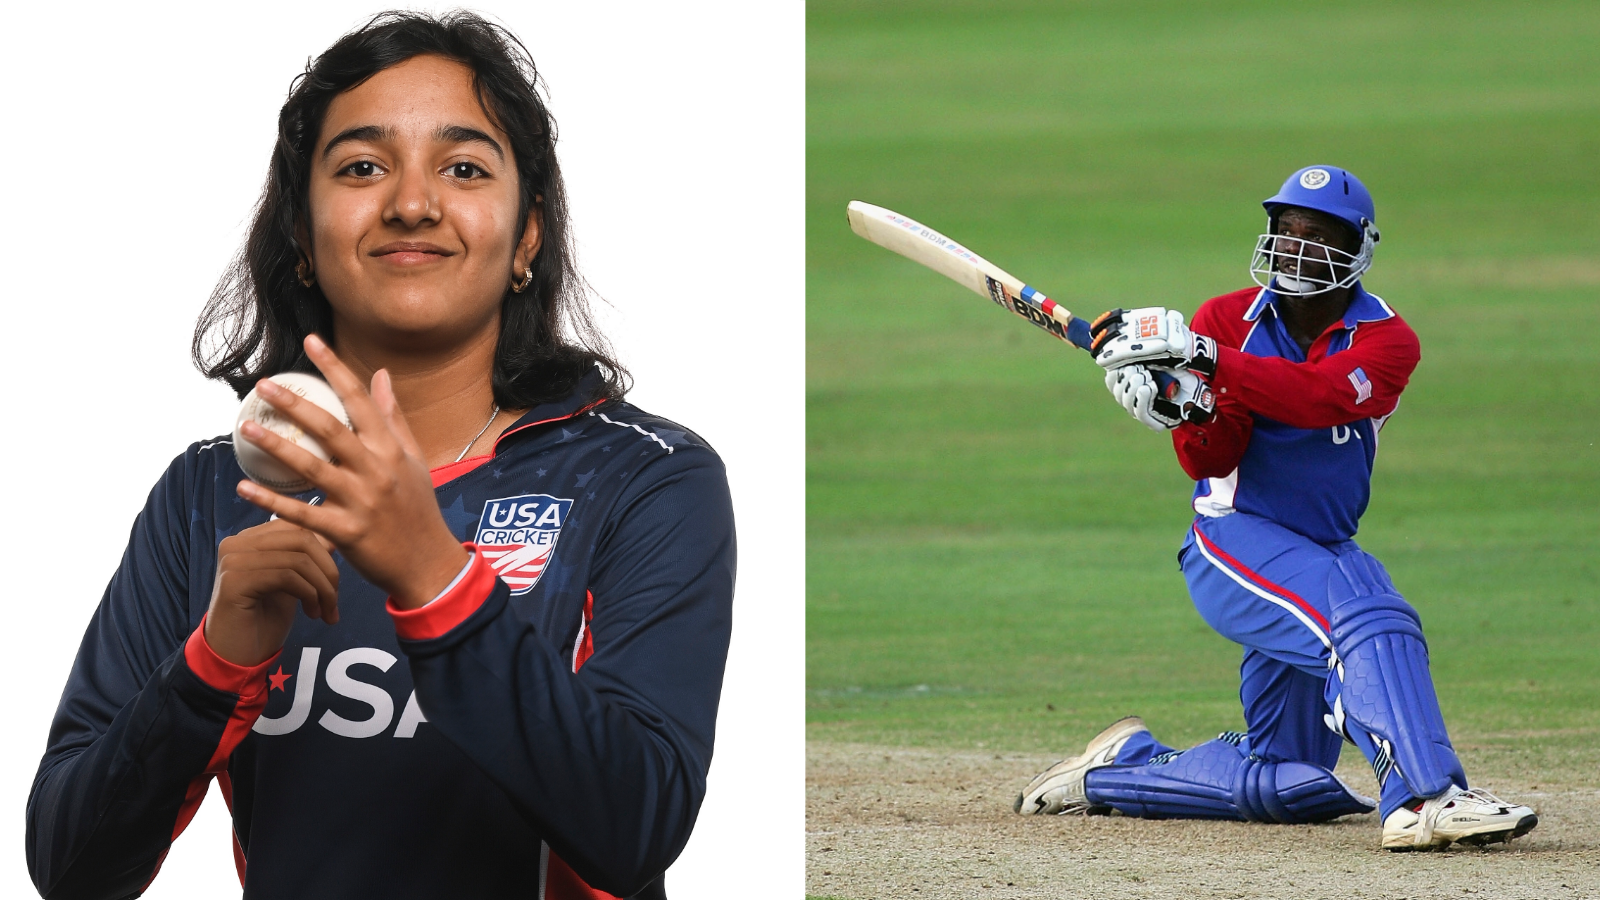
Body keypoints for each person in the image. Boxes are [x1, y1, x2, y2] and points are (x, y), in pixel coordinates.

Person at [26, 12, 734, 900]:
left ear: (526, 236)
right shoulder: (208, 492)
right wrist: (216, 661)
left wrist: (433, 577)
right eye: (362, 167)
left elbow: (635, 830)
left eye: (464, 168)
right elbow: (71, 868)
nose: (411, 202)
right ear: (300, 232)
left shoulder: (643, 476)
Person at [1012, 165, 1537, 851]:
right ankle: (1426, 798)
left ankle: (1118, 769)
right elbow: (1210, 457)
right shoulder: (1226, 319)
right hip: (1234, 541)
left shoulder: (1385, 341)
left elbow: (1317, 397)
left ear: (1358, 249)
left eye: (1316, 235)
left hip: (1320, 547)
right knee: (1370, 616)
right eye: (1285, 231)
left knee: (1290, 781)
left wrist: (1201, 359)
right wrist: (1180, 409)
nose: (1295, 247)